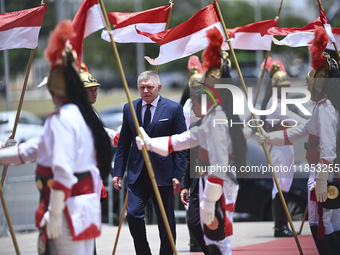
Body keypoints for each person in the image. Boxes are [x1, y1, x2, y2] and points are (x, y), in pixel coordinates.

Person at [0, 20, 113, 255]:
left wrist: (53, 211)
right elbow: (30, 150)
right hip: (80, 203)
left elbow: (61, 170)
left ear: (53, 89)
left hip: (64, 207)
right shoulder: (82, 115)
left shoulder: (61, 118)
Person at [136, 27, 247, 255]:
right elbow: (184, 140)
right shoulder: (212, 117)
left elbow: (219, 164)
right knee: (208, 235)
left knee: (218, 240)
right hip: (210, 183)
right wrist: (150, 143)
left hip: (218, 185)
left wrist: (208, 201)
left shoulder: (218, 119)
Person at [256, 27, 340, 254]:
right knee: (331, 222)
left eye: (310, 82)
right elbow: (300, 130)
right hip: (329, 171)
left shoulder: (325, 109)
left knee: (319, 223)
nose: (307, 86)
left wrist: (322, 179)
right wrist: (269, 137)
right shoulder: (323, 107)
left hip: (326, 172)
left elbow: (329, 149)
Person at [111, 70, 187, 255]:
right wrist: (118, 172)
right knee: (133, 215)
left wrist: (179, 176)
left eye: (149, 87)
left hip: (164, 175)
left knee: (165, 221)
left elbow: (182, 145)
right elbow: (123, 145)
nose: (145, 91)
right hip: (138, 175)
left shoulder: (173, 109)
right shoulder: (130, 108)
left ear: (158, 87)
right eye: (142, 87)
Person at [260, 58, 308, 237]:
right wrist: (314, 124)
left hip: (285, 145)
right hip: (278, 148)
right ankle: (280, 227)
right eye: (283, 86)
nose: (286, 89)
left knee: (284, 186)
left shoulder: (279, 102)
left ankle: (282, 225)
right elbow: (296, 121)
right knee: (280, 186)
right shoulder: (275, 104)